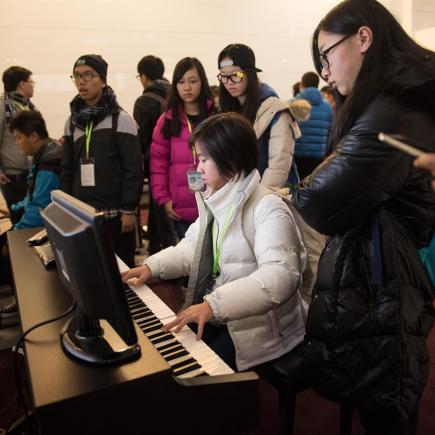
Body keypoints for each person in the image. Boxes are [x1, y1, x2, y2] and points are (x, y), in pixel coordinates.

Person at [292, 1, 435, 434]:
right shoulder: (394, 98)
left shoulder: (394, 106)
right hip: (386, 266)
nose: (325, 73)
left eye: (326, 55)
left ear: (363, 38)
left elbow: (316, 199)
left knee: (385, 400)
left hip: (386, 278)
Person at [122, 112, 307, 371]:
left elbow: (280, 277)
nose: (197, 168)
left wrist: (214, 304)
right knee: (174, 351)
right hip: (224, 312)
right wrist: (151, 267)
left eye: (205, 160)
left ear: (230, 160)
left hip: (263, 330)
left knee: (197, 371)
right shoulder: (218, 197)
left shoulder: (267, 207)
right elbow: (191, 249)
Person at [61, 54, 143, 268]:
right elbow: (67, 170)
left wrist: (128, 210)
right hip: (83, 213)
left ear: (103, 80)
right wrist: (67, 209)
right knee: (89, 270)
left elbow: (133, 168)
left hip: (116, 215)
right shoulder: (72, 123)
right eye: (77, 76)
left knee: (121, 273)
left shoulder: (121, 120)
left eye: (89, 75)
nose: (81, 81)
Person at [217, 43, 309, 189]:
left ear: (250, 73)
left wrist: (258, 200)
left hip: (268, 198)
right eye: (223, 76)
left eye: (235, 75)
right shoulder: (225, 110)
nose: (229, 82)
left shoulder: (275, 110)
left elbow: (278, 166)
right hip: (238, 194)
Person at [0, 110, 61, 327]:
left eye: (18, 137)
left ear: (33, 136)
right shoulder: (43, 154)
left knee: (7, 247)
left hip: (48, 228)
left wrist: (14, 232)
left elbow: (39, 209)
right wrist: (13, 210)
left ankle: (24, 303)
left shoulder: (49, 161)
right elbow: (32, 197)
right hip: (42, 222)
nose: (16, 143)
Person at [150, 57, 215, 240]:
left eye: (193, 81)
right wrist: (164, 199)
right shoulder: (167, 120)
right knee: (189, 261)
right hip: (180, 208)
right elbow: (158, 163)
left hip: (215, 202)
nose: (187, 87)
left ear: (202, 82)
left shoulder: (216, 116)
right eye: (181, 82)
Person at [133, 55, 176, 254]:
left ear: (143, 76)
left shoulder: (144, 101)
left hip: (157, 162)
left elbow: (142, 139)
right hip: (178, 161)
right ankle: (161, 243)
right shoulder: (175, 95)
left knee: (158, 202)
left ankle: (163, 248)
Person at [0, 66, 37, 224]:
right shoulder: (2, 107)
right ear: (22, 84)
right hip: (12, 178)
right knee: (20, 219)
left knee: (34, 217)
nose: (33, 85)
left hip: (33, 174)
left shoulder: (29, 107)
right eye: (31, 82)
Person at [293, 72, 333, 179]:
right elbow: (331, 133)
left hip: (296, 156)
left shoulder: (293, 104)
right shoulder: (328, 107)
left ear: (302, 85)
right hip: (319, 158)